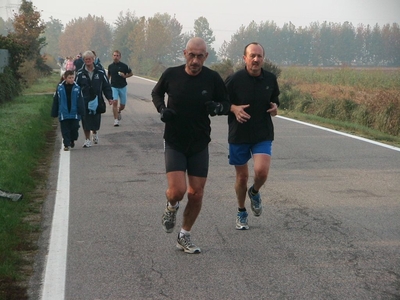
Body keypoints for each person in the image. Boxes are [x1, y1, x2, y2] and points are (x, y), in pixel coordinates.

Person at [151, 37, 230, 254]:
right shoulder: (171, 74)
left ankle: (184, 235)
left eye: (200, 56)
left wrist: (217, 107)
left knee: (196, 193)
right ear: (184, 53)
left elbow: (226, 103)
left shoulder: (212, 78)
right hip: (175, 140)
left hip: (199, 142)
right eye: (191, 55)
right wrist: (161, 109)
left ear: (206, 56)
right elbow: (156, 93)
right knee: (177, 191)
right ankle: (171, 206)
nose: (195, 60)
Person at [225, 42, 280, 230]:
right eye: (252, 56)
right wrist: (233, 108)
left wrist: (275, 108)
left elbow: (275, 100)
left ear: (263, 58)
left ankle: (254, 192)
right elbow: (221, 103)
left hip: (262, 133)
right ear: (244, 58)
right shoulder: (234, 79)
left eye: (259, 56)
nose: (256, 59)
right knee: (242, 177)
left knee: (262, 172)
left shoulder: (270, 79)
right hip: (239, 134)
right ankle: (241, 211)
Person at [75, 50, 114, 148]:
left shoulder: (100, 72)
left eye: (90, 59)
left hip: (97, 100)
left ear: (93, 59)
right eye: (86, 59)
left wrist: (109, 97)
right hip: (84, 100)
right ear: (84, 60)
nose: (88, 61)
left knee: (95, 121)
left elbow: (106, 86)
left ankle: (95, 132)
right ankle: (87, 139)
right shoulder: (80, 73)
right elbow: (75, 87)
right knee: (85, 120)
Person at [51, 70, 85, 151]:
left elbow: (80, 100)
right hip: (64, 113)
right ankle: (66, 144)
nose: (71, 79)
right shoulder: (60, 88)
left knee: (75, 128)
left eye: (73, 78)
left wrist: (82, 111)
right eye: (69, 78)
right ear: (65, 78)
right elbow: (56, 100)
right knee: (65, 130)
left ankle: (72, 139)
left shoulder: (77, 88)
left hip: (74, 113)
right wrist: (54, 112)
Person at [107, 50, 133, 126]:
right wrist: (106, 84)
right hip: (114, 87)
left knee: (123, 105)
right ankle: (116, 120)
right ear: (112, 56)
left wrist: (125, 76)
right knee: (114, 102)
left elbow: (131, 73)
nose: (116, 57)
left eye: (117, 55)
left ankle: (119, 110)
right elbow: (108, 76)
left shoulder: (124, 66)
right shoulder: (110, 66)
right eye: (114, 55)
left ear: (120, 57)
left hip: (122, 87)